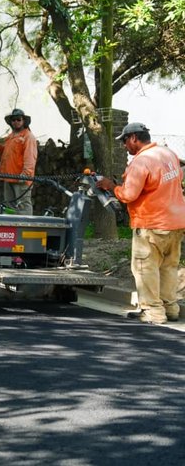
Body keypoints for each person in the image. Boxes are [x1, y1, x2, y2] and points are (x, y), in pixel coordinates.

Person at [96, 122, 185, 324]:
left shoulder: (141, 161)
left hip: (151, 224)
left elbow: (128, 195)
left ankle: (153, 312)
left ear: (134, 138)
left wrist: (112, 187)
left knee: (146, 268)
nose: (124, 146)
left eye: (125, 141)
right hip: (176, 222)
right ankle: (170, 308)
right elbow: (176, 178)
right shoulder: (167, 154)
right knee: (169, 267)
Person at [0, 108, 38, 215]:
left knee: (23, 206)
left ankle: (26, 228)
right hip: (9, 177)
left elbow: (30, 157)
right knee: (10, 207)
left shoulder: (28, 137)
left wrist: (26, 174)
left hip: (21, 178)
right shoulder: (10, 137)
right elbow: (6, 153)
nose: (16, 122)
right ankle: (12, 229)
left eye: (18, 119)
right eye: (13, 120)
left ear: (23, 121)